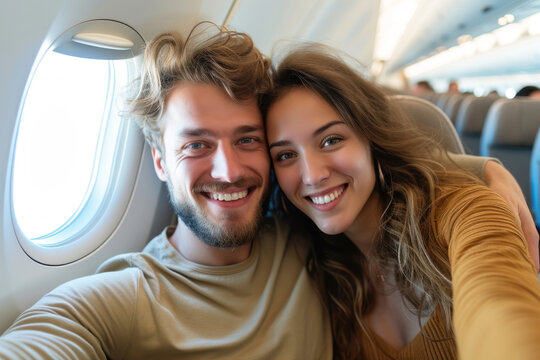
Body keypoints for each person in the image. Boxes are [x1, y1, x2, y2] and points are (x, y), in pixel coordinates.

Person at [0, 22, 537, 359]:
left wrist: (481, 169)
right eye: (197, 145)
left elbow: (497, 309)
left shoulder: (307, 236)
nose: (229, 170)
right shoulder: (118, 301)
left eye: (248, 141)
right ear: (160, 161)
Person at [262, 44, 540, 360]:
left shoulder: (465, 211)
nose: (312, 176)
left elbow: (500, 306)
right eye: (285, 155)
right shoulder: (306, 265)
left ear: (371, 137)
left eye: (331, 140)